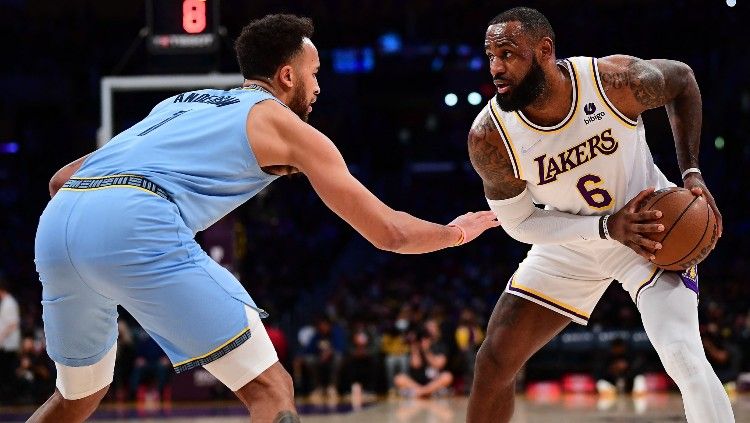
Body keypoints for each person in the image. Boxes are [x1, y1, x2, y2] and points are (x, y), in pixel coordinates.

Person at [29, 13, 499, 423]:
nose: (319, 88)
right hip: (134, 220)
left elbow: (59, 180)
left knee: (77, 395)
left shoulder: (178, 104)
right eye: (315, 74)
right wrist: (457, 232)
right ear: (288, 75)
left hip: (58, 225)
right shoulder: (284, 125)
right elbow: (390, 233)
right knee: (272, 390)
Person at [466, 7, 732, 423]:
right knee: (494, 360)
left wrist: (692, 172)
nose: (496, 67)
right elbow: (519, 224)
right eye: (490, 55)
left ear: (544, 51)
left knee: (682, 353)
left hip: (650, 228)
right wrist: (607, 227)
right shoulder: (490, 138)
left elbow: (682, 80)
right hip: (575, 237)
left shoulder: (611, 84)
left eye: (508, 54)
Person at [0, 276, 21, 402]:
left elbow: (12, 324)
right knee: (6, 372)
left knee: (8, 372)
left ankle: (11, 397)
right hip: (6, 344)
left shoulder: (9, 303)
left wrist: (1, 337)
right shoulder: (6, 302)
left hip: (9, 345)